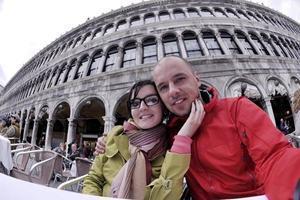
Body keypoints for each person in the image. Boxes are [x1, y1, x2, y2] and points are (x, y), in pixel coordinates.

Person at [95, 56, 300, 200]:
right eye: (164, 87)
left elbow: (275, 156)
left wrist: (295, 183)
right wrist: (107, 139)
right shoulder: (168, 135)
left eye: (180, 79)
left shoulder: (236, 110)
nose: (173, 91)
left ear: (197, 78)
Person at [82, 80, 204, 199]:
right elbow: (93, 180)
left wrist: (183, 138)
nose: (142, 107)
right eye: (135, 103)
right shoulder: (114, 135)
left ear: (163, 106)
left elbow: (167, 196)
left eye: (152, 100)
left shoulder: (173, 147)